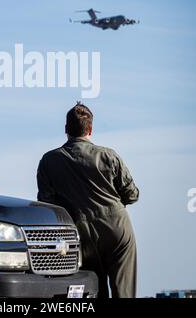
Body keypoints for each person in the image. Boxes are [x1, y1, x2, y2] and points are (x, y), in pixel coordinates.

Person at [37, 103, 139, 298]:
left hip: (81, 233)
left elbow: (46, 202)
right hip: (117, 228)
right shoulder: (109, 156)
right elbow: (132, 195)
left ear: (66, 129)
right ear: (90, 129)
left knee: (92, 291)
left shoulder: (49, 161)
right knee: (124, 292)